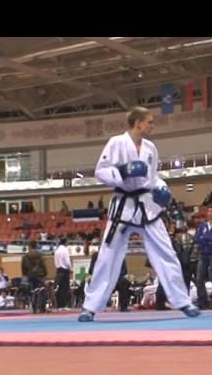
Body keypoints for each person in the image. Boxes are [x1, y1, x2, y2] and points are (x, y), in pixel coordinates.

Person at [78, 106, 199, 321]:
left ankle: (183, 301)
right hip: (123, 205)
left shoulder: (150, 148)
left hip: (147, 205)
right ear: (138, 123)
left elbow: (152, 177)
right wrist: (122, 173)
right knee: (108, 256)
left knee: (166, 252)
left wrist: (162, 188)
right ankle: (91, 306)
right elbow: (100, 171)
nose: (152, 125)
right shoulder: (116, 143)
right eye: (150, 122)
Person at [53, 237, 72, 310]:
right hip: (65, 271)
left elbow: (55, 261)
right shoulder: (65, 250)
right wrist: (71, 268)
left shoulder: (57, 250)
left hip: (58, 270)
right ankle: (64, 305)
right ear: (66, 242)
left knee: (59, 288)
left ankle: (59, 305)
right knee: (65, 288)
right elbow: (67, 261)